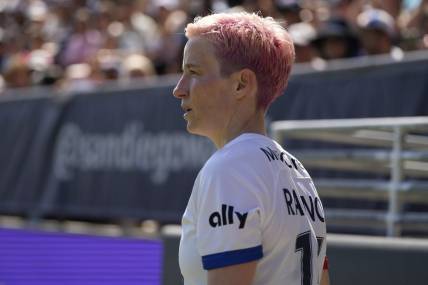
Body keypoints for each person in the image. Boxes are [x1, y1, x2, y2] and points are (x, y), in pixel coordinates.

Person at [173, 12, 329, 285]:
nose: (179, 89)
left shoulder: (230, 168)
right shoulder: (297, 171)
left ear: (241, 84)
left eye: (193, 72)